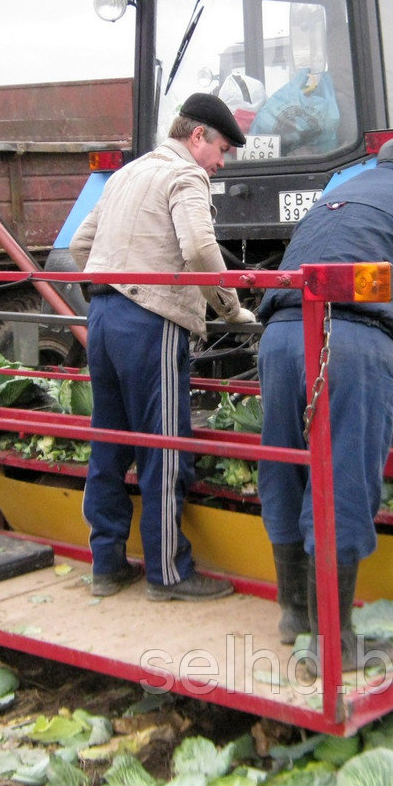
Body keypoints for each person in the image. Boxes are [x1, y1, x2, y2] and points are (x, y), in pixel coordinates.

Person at [256, 134, 393, 664]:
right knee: (343, 479)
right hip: (352, 344)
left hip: (281, 337)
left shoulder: (336, 194)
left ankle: (294, 613)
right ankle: (336, 643)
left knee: (284, 469)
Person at [70, 93, 257, 602]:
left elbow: (80, 247)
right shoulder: (186, 176)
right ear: (198, 137)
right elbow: (199, 248)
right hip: (151, 323)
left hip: (104, 317)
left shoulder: (130, 173)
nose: (220, 164)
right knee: (165, 447)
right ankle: (169, 573)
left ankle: (107, 566)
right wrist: (231, 309)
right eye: (221, 150)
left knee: (109, 443)